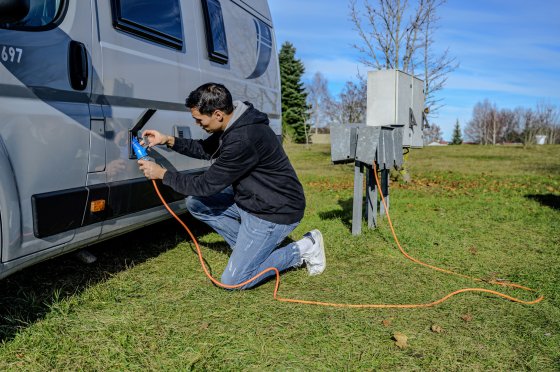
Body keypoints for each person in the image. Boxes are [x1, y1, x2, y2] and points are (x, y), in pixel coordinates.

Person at [138, 83, 325, 289]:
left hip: (274, 211)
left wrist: (162, 174)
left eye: (199, 119)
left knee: (235, 280)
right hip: (254, 200)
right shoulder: (235, 122)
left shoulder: (243, 138)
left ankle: (305, 247)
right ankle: (250, 251)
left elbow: (206, 185)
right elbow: (206, 149)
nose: (197, 123)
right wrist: (168, 140)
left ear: (217, 114)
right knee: (197, 204)